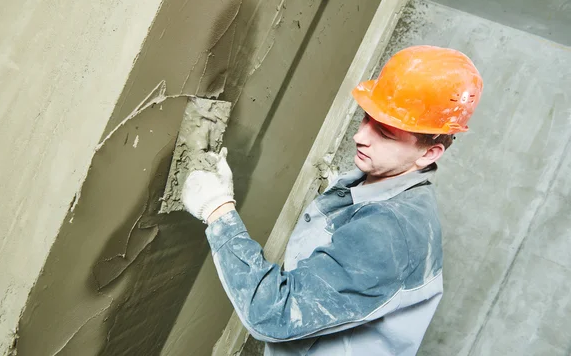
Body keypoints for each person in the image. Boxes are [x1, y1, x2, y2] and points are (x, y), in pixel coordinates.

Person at [182, 45, 483, 355]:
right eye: (366, 119)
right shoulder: (380, 190)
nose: (360, 137)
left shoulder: (390, 232)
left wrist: (218, 210)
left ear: (429, 153)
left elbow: (275, 314)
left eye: (385, 133)